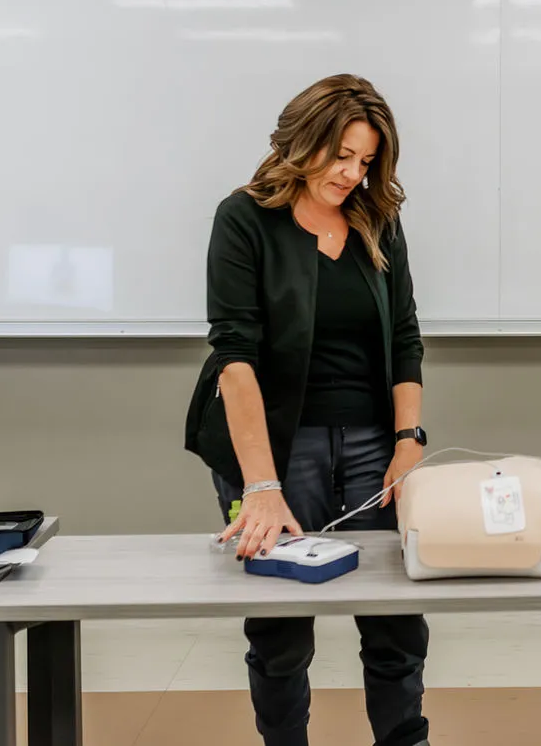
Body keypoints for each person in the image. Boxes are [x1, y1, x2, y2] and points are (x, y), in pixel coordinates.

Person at [183, 74, 431, 746]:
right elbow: (235, 357)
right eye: (341, 155)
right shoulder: (244, 218)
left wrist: (408, 441)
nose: (353, 174)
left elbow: (405, 334)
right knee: (282, 629)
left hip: (372, 444)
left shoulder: (377, 218)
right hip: (276, 447)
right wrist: (261, 485)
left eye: (366, 160)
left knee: (396, 622)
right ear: (302, 141)